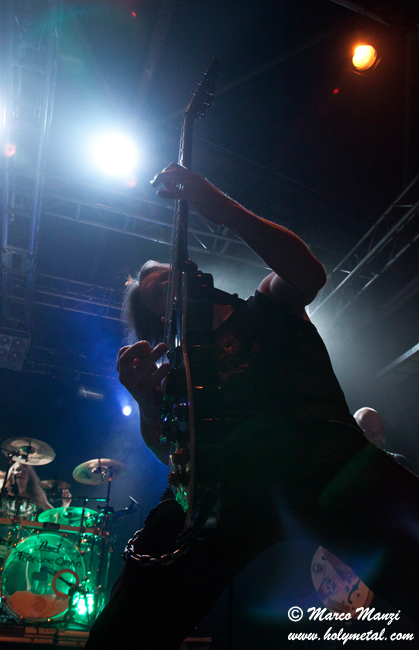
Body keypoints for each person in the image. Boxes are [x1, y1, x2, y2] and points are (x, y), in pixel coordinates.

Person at [85, 163, 419, 649]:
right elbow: (171, 459)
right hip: (227, 492)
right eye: (156, 289)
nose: (171, 279)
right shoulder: (175, 373)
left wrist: (214, 203)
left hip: (328, 463)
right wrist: (145, 402)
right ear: (157, 318)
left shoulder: (265, 304)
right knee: (129, 625)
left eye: (172, 272)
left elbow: (309, 272)